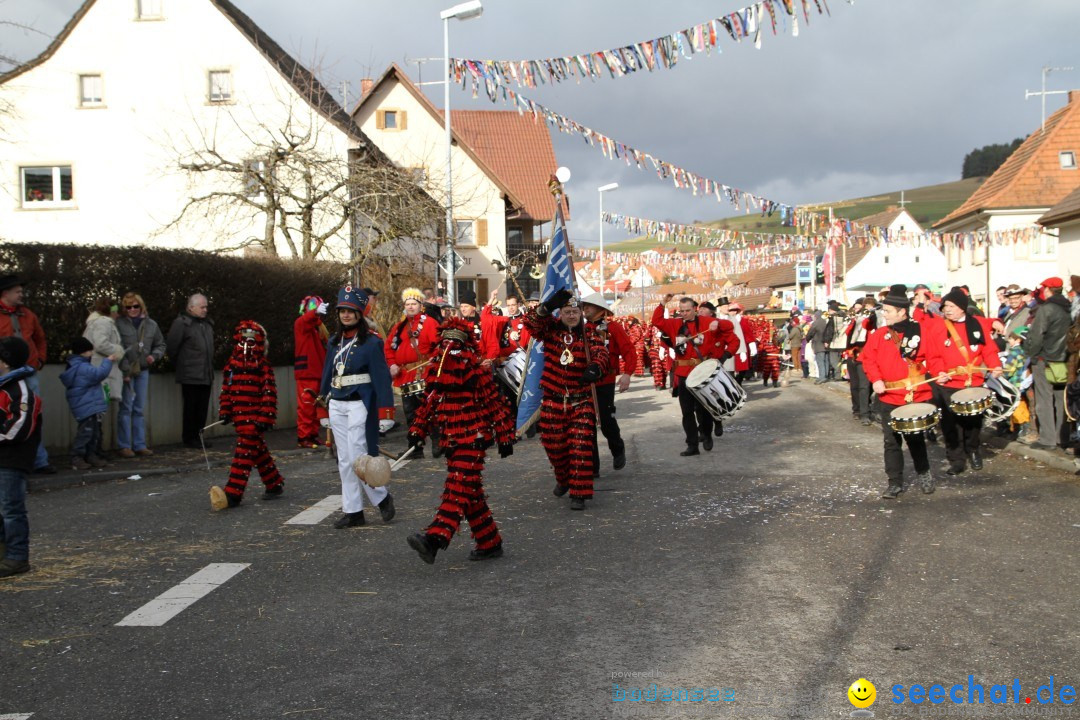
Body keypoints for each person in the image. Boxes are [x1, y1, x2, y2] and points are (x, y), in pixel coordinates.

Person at [404, 317, 516, 564]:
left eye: (455, 345)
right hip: (452, 440)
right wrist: (417, 431)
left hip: (473, 439)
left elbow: (495, 405)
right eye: (445, 343)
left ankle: (434, 540)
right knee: (469, 493)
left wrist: (506, 436)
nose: (449, 350)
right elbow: (429, 404)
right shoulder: (437, 375)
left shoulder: (477, 374)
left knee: (457, 489)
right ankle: (490, 543)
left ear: (466, 347)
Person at [523, 291, 609, 510]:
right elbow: (530, 324)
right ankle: (563, 479)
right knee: (554, 447)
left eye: (575, 312)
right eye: (567, 312)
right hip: (553, 400)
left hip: (581, 401)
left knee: (580, 447)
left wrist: (596, 369)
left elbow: (602, 354)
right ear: (560, 313)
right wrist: (545, 307)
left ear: (581, 313)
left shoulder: (588, 333)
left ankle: (579, 494)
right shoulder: (550, 330)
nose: (572, 316)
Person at [319, 286, 396, 528]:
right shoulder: (334, 341)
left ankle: (381, 497)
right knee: (344, 460)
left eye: (351, 311)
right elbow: (326, 375)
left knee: (358, 457)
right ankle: (353, 511)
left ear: (360, 313)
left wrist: (386, 411)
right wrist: (323, 406)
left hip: (360, 404)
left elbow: (382, 377)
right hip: (337, 402)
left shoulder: (372, 343)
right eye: (342, 310)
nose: (346, 315)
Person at [860, 284, 934, 498]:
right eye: (884, 311)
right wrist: (876, 380)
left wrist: (936, 373)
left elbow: (934, 357)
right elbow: (869, 360)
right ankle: (895, 482)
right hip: (888, 396)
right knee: (891, 441)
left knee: (915, 438)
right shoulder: (879, 335)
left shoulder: (921, 331)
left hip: (914, 395)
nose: (884, 315)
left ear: (902, 312)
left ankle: (924, 474)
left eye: (888, 311)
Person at [924, 287, 1004, 476]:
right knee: (950, 424)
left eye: (951, 306)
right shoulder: (939, 327)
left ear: (962, 307)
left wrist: (995, 366)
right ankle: (956, 459)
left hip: (972, 381)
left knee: (973, 421)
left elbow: (989, 350)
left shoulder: (977, 325)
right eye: (945, 307)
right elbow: (933, 355)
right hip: (948, 383)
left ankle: (973, 449)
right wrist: (939, 371)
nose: (947, 310)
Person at [209, 322, 285, 510]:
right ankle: (274, 483)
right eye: (244, 340)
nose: (247, 344)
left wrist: (265, 417)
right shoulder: (232, 365)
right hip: (239, 416)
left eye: (251, 340)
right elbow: (226, 389)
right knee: (257, 451)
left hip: (253, 419)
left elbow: (269, 393)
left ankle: (233, 493)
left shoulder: (262, 366)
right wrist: (226, 411)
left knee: (243, 454)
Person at [652, 295, 738, 455]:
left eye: (687, 310)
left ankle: (706, 433)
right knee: (687, 412)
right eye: (681, 311)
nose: (684, 313)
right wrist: (662, 303)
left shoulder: (705, 322)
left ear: (694, 309)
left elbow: (729, 328)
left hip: (702, 372)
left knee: (704, 409)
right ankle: (692, 445)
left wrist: (717, 324)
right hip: (683, 374)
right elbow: (657, 322)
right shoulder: (675, 324)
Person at [0, 275, 53, 474]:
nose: (21, 294)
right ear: (5, 293)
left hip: (28, 370)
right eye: (17, 291)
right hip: (4, 373)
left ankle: (39, 460)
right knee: (8, 414)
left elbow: (40, 338)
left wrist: (40, 359)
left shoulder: (28, 314)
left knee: (33, 414)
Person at [0, 337, 43, 578]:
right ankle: (3, 553)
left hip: (12, 459)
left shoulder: (21, 390)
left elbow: (20, 427)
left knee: (11, 509)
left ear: (5, 362)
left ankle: (17, 557)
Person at [580, 292, 635, 471]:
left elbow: (628, 351)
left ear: (599, 308)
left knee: (606, 421)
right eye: (583, 306)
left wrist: (627, 373)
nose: (584, 309)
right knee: (586, 425)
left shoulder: (613, 327)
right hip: (585, 381)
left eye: (588, 305)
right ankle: (592, 467)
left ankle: (617, 448)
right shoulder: (582, 328)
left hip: (606, 380)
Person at [385, 288, 440, 458]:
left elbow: (439, 344)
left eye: (413, 304)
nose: (410, 307)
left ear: (420, 306)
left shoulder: (430, 323)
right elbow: (388, 348)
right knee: (411, 414)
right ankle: (415, 448)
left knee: (428, 410)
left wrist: (434, 359)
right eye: (407, 304)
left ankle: (439, 443)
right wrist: (392, 364)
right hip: (405, 375)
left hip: (424, 373)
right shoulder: (398, 327)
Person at [115, 293, 166, 458]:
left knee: (138, 408)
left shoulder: (151, 325)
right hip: (126, 371)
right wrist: (124, 370)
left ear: (141, 306)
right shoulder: (118, 324)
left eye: (135, 306)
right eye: (128, 307)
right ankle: (124, 445)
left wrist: (155, 356)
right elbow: (117, 347)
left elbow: (160, 344)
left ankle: (139, 444)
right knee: (125, 408)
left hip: (143, 370)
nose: (132, 310)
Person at [1022, 276, 1070, 449]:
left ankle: (1047, 439)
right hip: (1064, 359)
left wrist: (1030, 354)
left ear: (1047, 289)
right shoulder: (1069, 306)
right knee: (1061, 399)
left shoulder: (1046, 308)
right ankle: (1062, 437)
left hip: (1045, 359)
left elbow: (1036, 335)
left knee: (1044, 399)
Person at [60, 337, 121, 470]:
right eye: (89, 351)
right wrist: (108, 361)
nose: (91, 353)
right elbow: (99, 374)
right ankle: (78, 457)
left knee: (93, 432)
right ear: (82, 352)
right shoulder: (82, 367)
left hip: (88, 406)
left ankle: (90, 455)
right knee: (86, 433)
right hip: (88, 406)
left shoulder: (77, 366)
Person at [166, 294, 215, 448]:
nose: (205, 310)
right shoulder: (182, 324)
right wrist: (182, 365)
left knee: (202, 408)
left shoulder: (206, 324)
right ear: (191, 307)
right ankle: (189, 437)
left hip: (205, 372)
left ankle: (198, 436)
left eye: (206, 307)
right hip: (190, 373)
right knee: (191, 407)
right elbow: (172, 347)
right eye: (202, 307)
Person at [294, 295, 331, 449]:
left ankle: (312, 435)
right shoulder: (301, 324)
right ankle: (304, 436)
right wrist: (315, 313)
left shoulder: (317, 328)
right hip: (307, 373)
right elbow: (305, 320)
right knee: (306, 406)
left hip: (317, 372)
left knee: (316, 406)